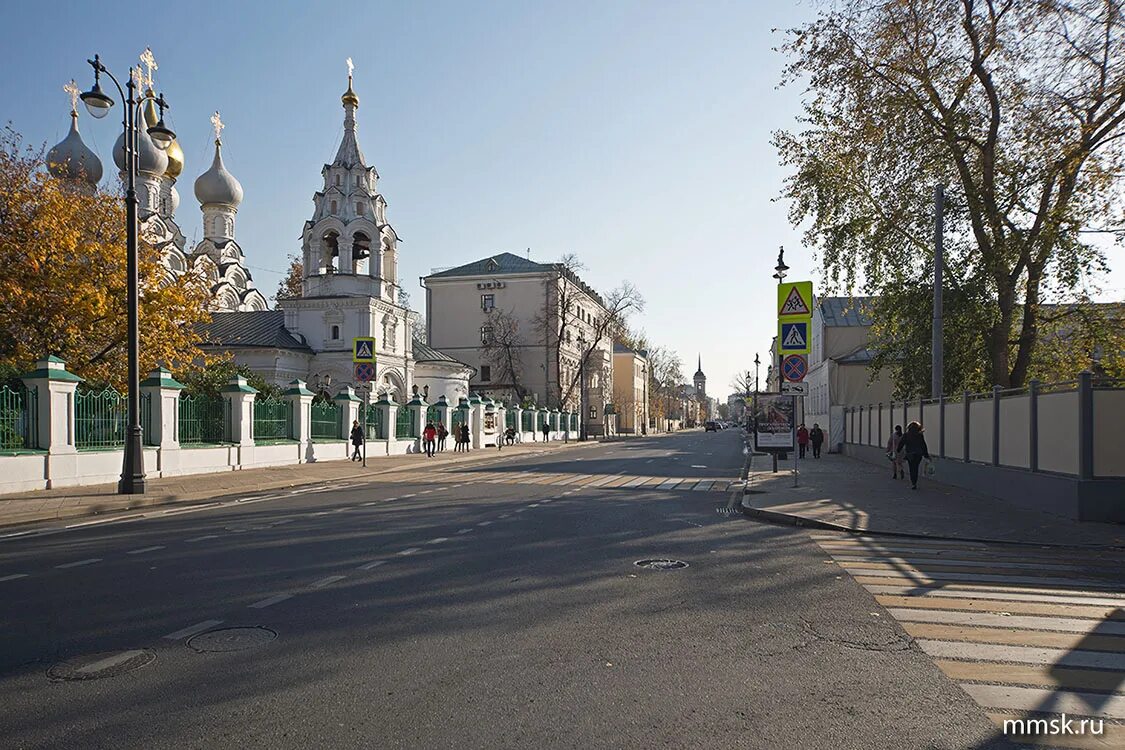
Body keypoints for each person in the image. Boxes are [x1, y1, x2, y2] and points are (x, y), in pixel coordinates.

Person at [899, 421, 931, 489]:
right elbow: (923, 445)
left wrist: (898, 450)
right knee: (916, 467)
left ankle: (913, 482)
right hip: (918, 454)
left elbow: (901, 443)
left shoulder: (906, 435)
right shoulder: (920, 435)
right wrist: (926, 455)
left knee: (911, 467)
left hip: (910, 454)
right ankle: (914, 482)